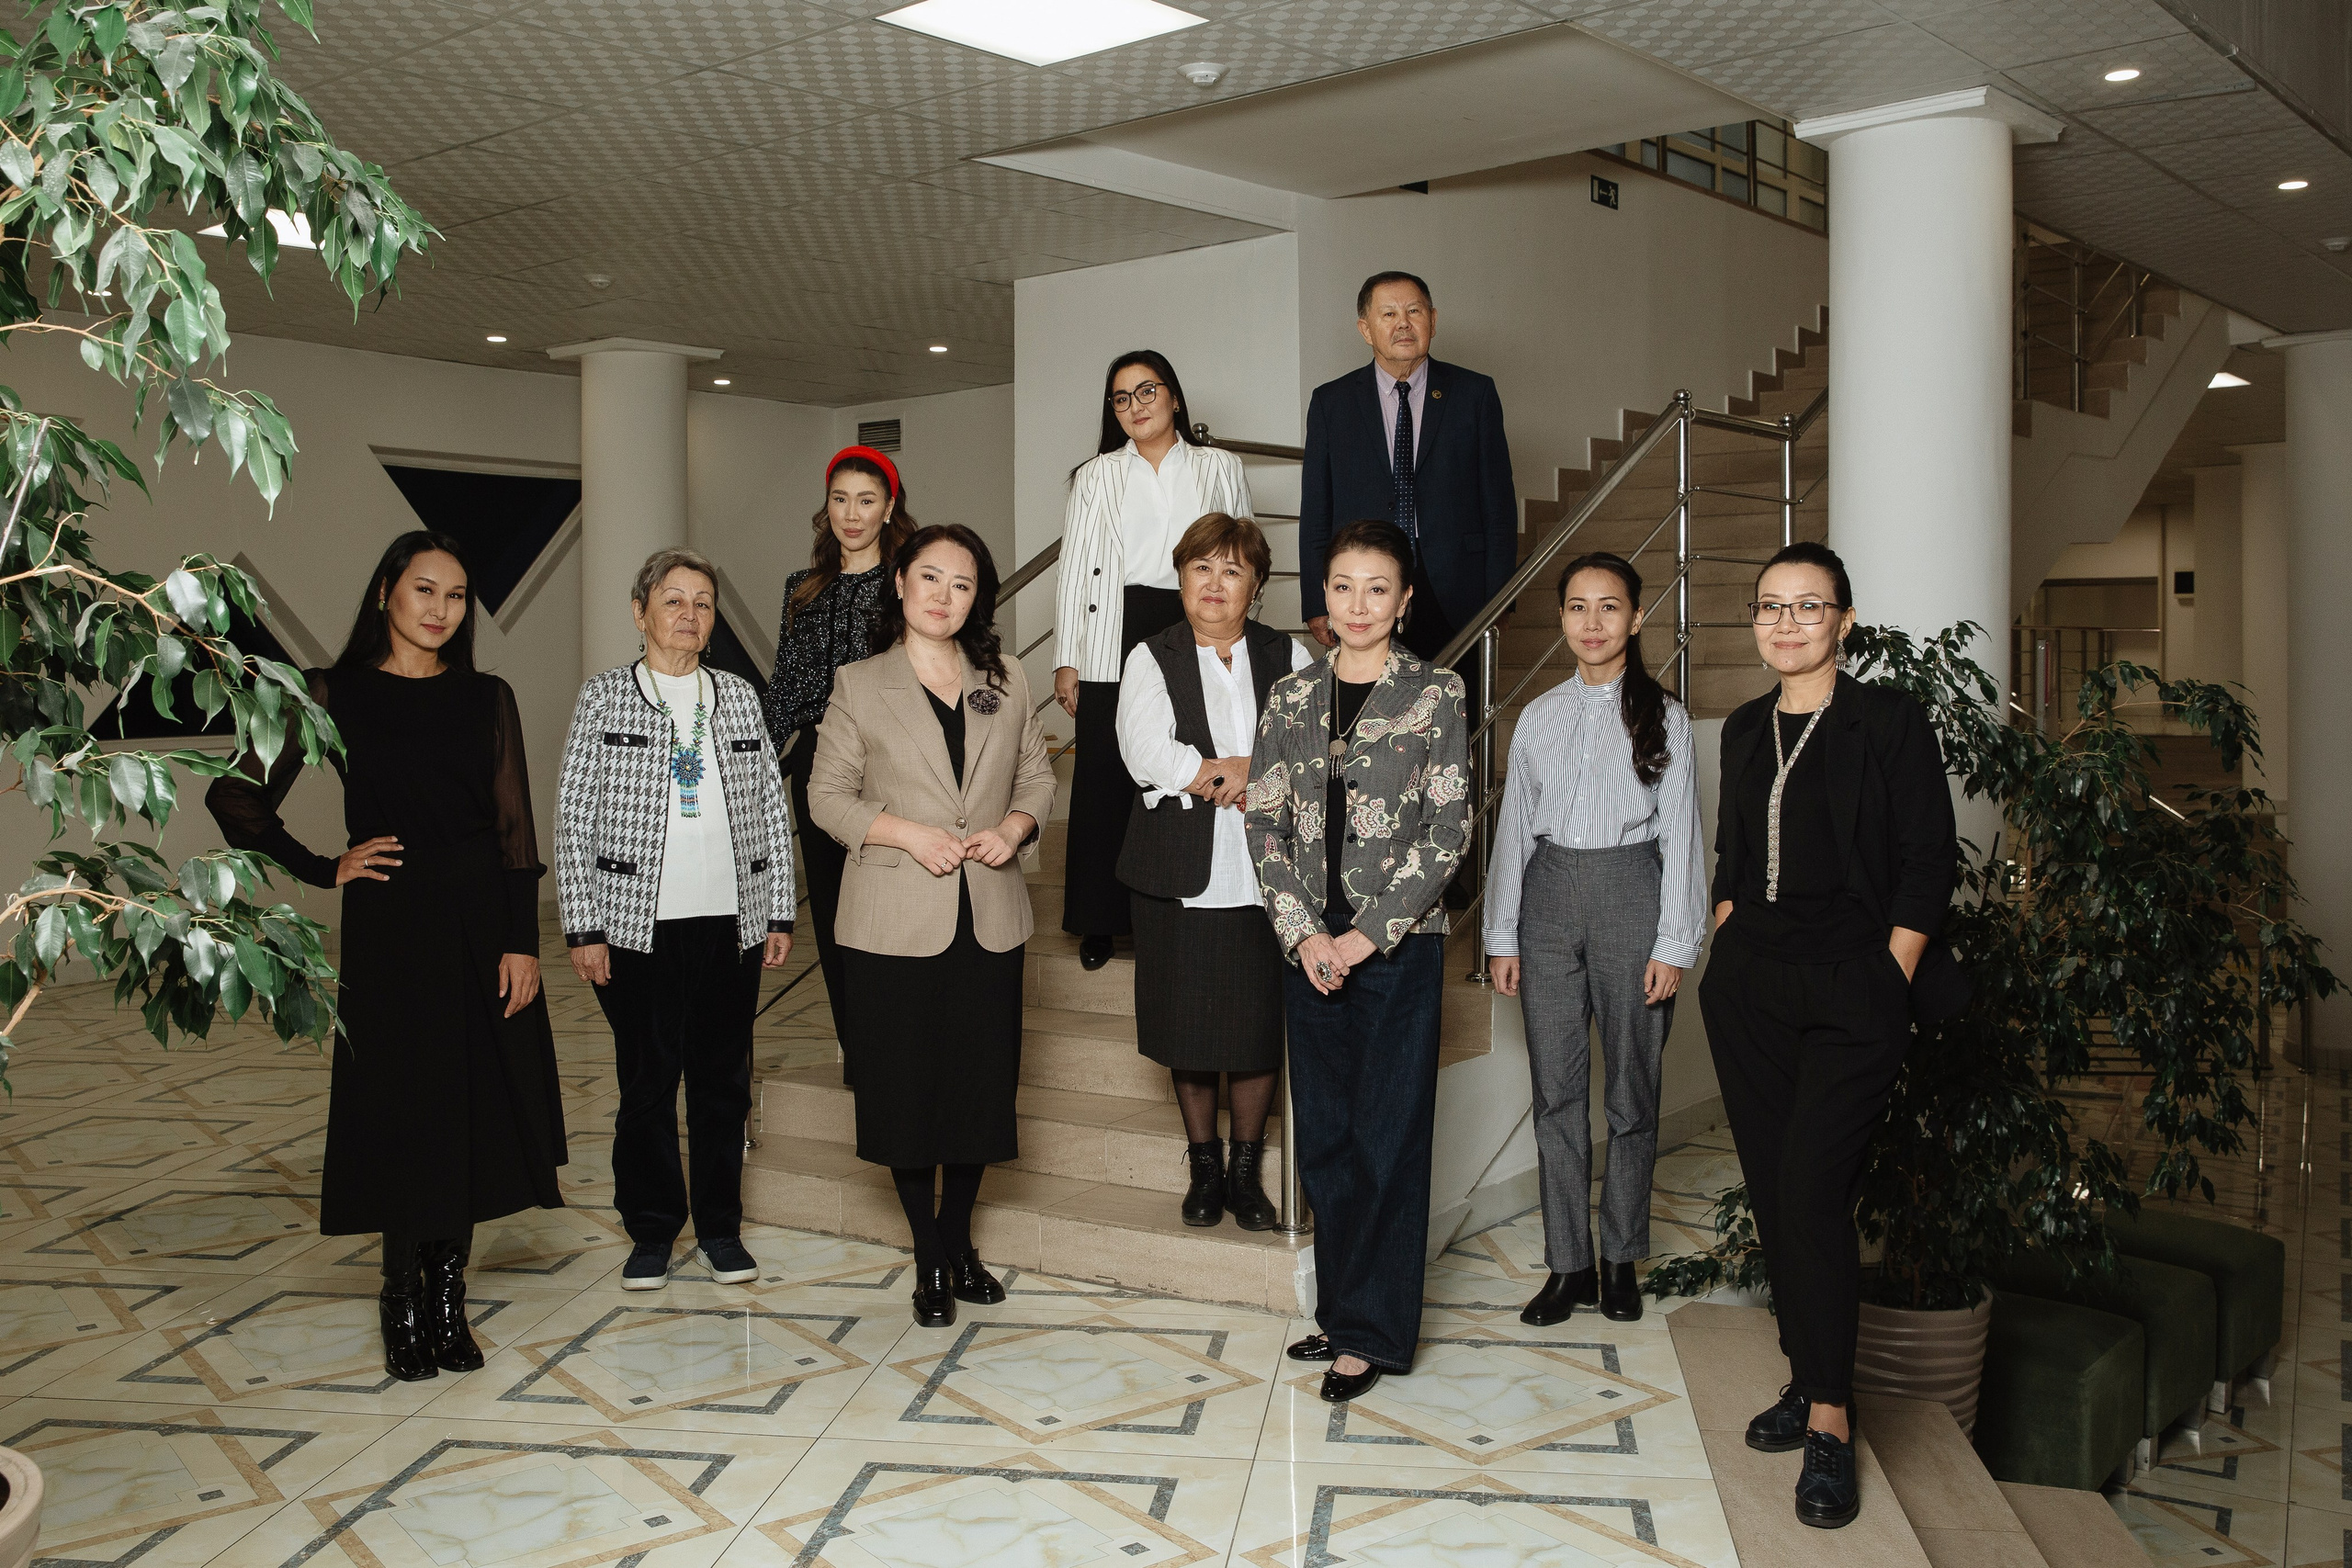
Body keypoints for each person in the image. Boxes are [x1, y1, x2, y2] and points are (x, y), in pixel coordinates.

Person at [205, 530, 564, 1383]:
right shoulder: (331, 692)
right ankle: (400, 1293)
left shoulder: (489, 697)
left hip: (482, 924)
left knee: (472, 1108)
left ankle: (450, 1297)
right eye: (424, 591)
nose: (441, 610)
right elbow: (235, 795)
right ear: (385, 594)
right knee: (406, 1110)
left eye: (455, 596)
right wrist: (323, 866)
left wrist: (521, 939)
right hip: (392, 926)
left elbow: (516, 831)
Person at [1698, 540, 1966, 1531]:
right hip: (1753, 987)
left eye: (1808, 608)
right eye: (1770, 606)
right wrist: (1727, 922)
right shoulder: (1739, 727)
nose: (1786, 623)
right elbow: (1732, 847)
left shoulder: (1887, 722)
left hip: (1854, 987)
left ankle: (1828, 1420)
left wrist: (1886, 972)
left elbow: (1926, 859)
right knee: (1776, 1192)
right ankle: (1808, 1372)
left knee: (1814, 1185)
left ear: (1843, 623)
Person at [808, 524, 1056, 1327]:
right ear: (900, 584)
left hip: (989, 913)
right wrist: (910, 834)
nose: (945, 594)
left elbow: (1035, 773)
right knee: (906, 1092)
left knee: (979, 1088)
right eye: (930, 577)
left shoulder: (1006, 675)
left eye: (962, 581)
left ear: (977, 593)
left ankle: (958, 1240)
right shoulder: (857, 682)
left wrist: (1014, 829)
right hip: (892, 922)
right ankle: (926, 1256)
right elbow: (828, 798)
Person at [1248, 518, 1469, 1404]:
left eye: (1378, 588)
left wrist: (1360, 935)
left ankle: (1374, 1330)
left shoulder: (1437, 693)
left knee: (1387, 1137)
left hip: (1394, 949)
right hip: (1308, 948)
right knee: (1329, 1142)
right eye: (1343, 586)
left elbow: (1447, 834)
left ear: (1404, 600)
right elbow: (1263, 821)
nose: (1359, 604)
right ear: (1324, 599)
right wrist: (1303, 932)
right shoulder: (1290, 701)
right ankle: (1341, 1312)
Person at [557, 547, 798, 1292]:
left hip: (732, 921)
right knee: (649, 1083)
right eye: (672, 600)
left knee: (723, 1082)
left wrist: (780, 908)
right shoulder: (604, 698)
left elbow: (768, 802)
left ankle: (721, 1229)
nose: (689, 614)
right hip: (636, 927)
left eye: (702, 602)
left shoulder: (737, 696)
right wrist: (582, 926)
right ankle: (653, 1231)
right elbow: (573, 815)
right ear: (640, 613)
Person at [1487, 553, 1705, 1325]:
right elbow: (1513, 831)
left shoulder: (1667, 717)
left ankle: (1620, 1260)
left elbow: (1681, 835)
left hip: (1631, 896)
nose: (1592, 622)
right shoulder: (1539, 716)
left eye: (1608, 607)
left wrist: (1676, 941)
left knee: (1631, 1094)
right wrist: (1501, 933)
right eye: (1577, 607)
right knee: (1555, 1093)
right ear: (1563, 618)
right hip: (1547, 900)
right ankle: (1568, 1265)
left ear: (1636, 618)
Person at [1114, 513, 1313, 1230]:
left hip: (1271, 876)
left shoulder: (1288, 654)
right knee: (1188, 1029)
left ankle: (1246, 1168)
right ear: (1181, 577)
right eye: (1202, 567)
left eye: (1232, 570)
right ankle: (1202, 1165)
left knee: (1259, 1029)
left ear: (1255, 584)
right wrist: (1224, 772)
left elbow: (1309, 749)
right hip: (1179, 869)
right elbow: (1145, 753)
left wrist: (1237, 773)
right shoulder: (1151, 655)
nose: (1215, 583)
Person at [1054, 350, 1254, 972]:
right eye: (1121, 398)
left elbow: (1246, 551)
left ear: (1173, 397)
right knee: (1106, 777)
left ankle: (1178, 901)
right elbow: (1074, 572)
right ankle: (1098, 920)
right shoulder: (1096, 475)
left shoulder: (1220, 464)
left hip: (1201, 616)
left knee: (1190, 760)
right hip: (1115, 625)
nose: (1135, 406)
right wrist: (1068, 659)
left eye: (1147, 391)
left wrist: (1239, 634)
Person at [765, 446, 913, 1056]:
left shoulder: (909, 583)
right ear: (826, 508)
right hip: (816, 767)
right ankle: (858, 1050)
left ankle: (894, 1043)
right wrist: (753, 764)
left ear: (890, 508)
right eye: (840, 499)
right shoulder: (801, 589)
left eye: (866, 500)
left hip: (889, 767)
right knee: (829, 913)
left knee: (886, 906)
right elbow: (784, 685)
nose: (851, 514)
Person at [1298, 271, 1515, 675]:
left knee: (1459, 713)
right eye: (1389, 314)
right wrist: (1315, 599)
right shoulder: (1332, 402)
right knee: (1371, 713)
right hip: (1367, 587)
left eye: (1414, 311)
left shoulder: (1474, 393)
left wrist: (1501, 597)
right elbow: (1316, 510)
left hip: (1457, 587)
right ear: (1366, 328)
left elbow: (1499, 507)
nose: (1403, 323)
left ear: (1432, 320)